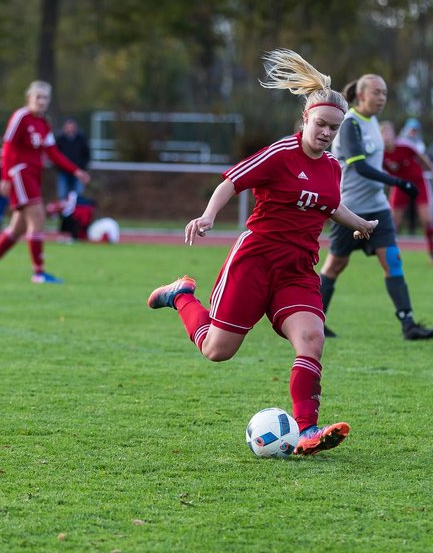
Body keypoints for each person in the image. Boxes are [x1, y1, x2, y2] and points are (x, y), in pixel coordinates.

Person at [146, 49, 379, 456]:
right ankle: (181, 295)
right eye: (321, 124)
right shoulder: (280, 154)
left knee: (311, 338)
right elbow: (230, 183)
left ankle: (307, 430)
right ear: (305, 120)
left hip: (297, 270)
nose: (326, 133)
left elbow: (328, 206)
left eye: (334, 128)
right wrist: (207, 216)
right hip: (255, 261)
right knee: (216, 351)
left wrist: (358, 223)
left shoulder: (333, 168)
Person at [318, 72, 433, 341]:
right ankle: (316, 320)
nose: (381, 97)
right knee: (335, 265)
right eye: (376, 92)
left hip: (378, 207)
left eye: (384, 92)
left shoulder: (373, 122)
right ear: (360, 95)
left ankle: (408, 325)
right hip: (349, 209)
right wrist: (400, 182)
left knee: (392, 260)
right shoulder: (350, 124)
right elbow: (359, 167)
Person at [0, 81, 90, 283]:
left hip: (33, 175)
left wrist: (76, 171)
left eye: (45, 98)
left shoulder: (44, 123)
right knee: (37, 218)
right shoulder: (21, 117)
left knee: (18, 228)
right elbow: (7, 147)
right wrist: (5, 176)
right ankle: (38, 273)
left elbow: (53, 153)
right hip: (20, 174)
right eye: (37, 97)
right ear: (29, 98)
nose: (41, 101)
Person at [383, 121, 433, 266]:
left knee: (427, 220)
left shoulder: (404, 145)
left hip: (417, 183)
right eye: (383, 133)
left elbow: (422, 157)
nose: (386, 136)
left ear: (394, 133)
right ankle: (392, 255)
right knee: (393, 223)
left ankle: (432, 254)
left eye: (388, 132)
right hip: (400, 185)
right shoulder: (379, 152)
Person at [55, 117, 91, 201]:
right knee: (62, 194)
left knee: (78, 194)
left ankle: (77, 212)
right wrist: (59, 167)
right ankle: (63, 212)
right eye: (68, 127)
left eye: (72, 127)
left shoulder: (81, 139)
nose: (70, 129)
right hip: (64, 172)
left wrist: (82, 167)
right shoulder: (60, 139)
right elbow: (55, 155)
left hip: (78, 172)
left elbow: (87, 154)